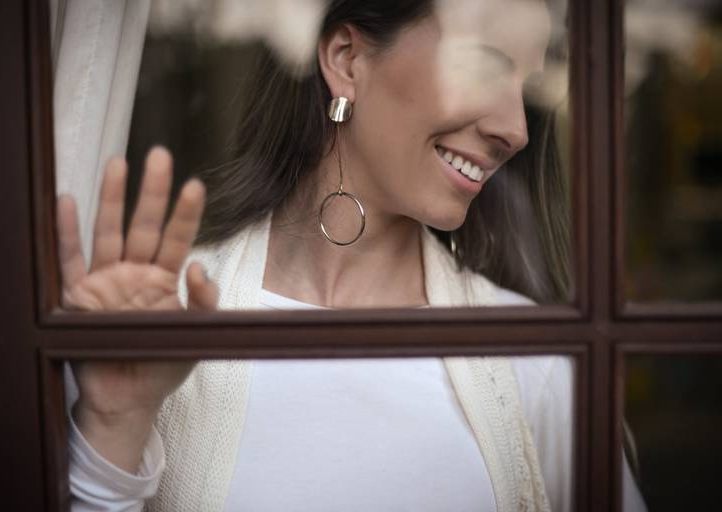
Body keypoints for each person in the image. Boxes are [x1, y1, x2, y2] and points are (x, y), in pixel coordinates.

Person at [57, 1, 646, 511]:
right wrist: (114, 424)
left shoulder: (536, 366)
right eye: (485, 63)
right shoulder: (161, 323)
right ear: (346, 60)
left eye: (527, 83)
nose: (515, 129)